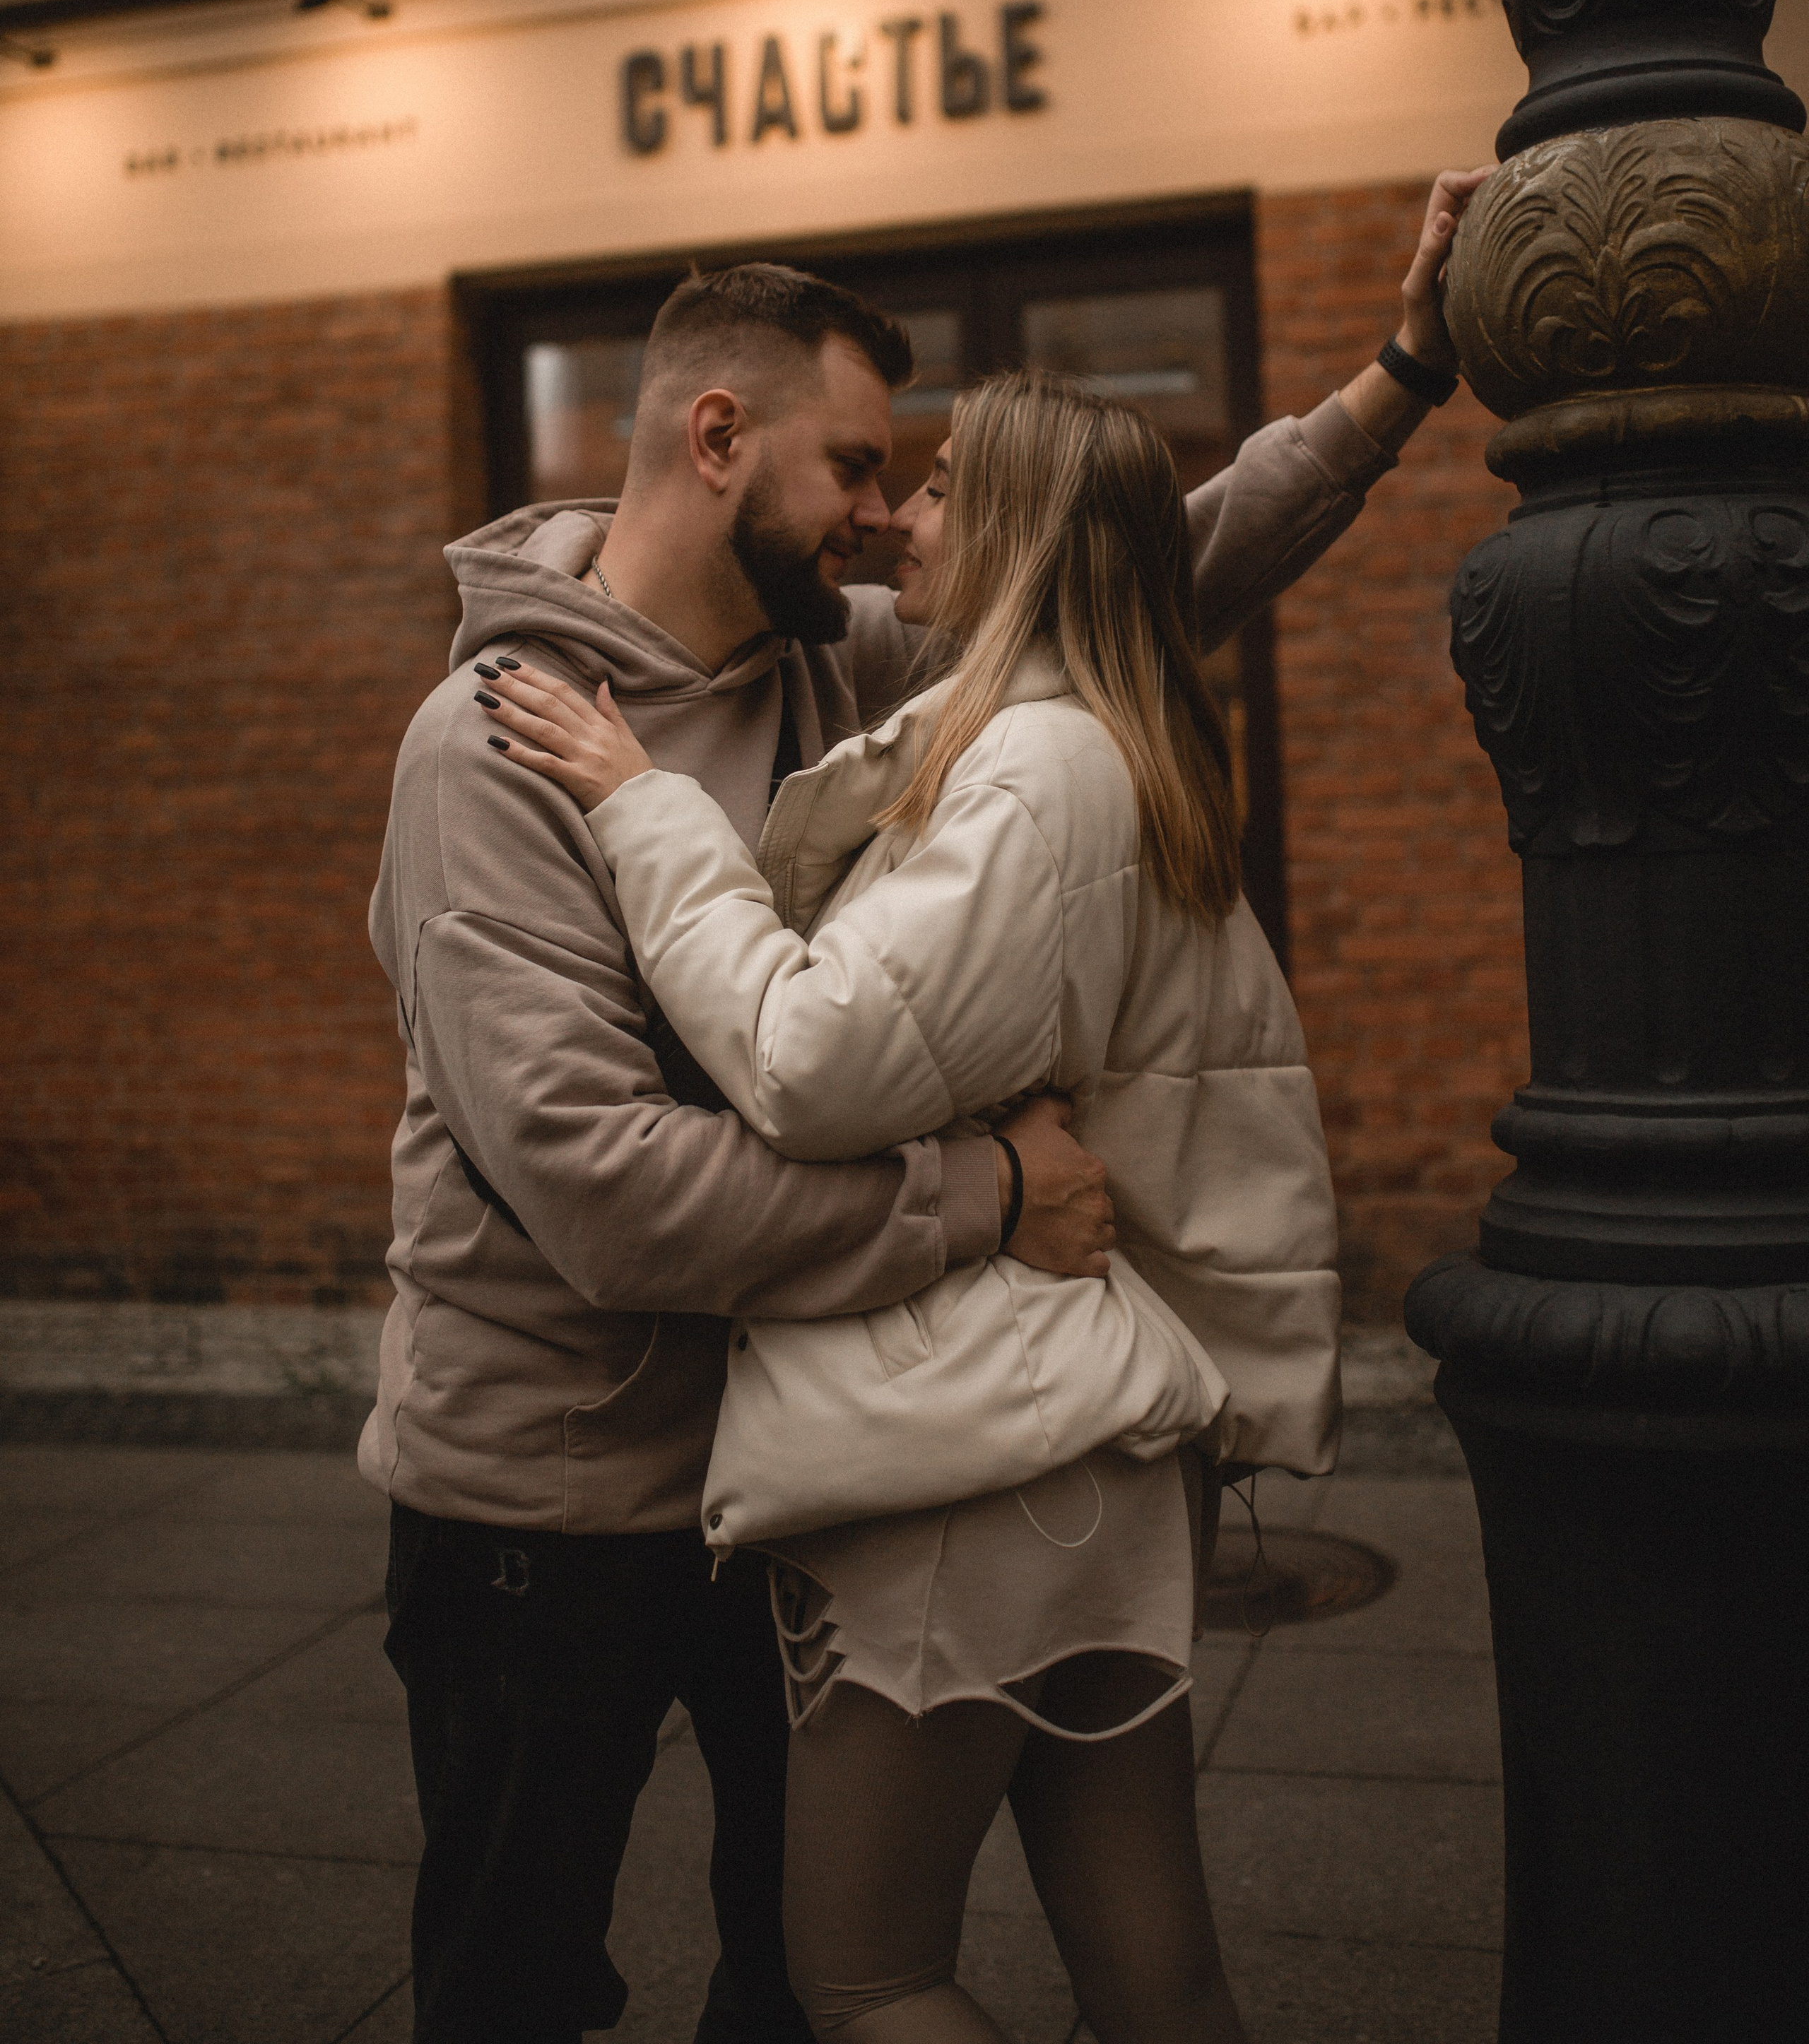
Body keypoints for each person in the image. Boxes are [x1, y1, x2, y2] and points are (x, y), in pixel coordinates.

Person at [360, 169, 1486, 2044]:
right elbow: (611, 1197)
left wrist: (1389, 388)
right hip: (535, 1501)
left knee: (796, 1980)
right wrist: (977, 1195)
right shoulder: (495, 750)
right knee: (513, 1981)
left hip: (787, 1463)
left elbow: (1124, 582)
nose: (886, 518)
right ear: (719, 438)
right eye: (861, 468)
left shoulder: (835, 659)